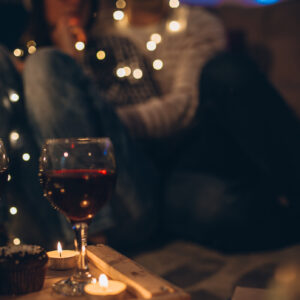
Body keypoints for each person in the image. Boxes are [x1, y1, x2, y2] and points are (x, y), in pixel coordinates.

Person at [1, 0, 299, 251]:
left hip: (173, 154)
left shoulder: (192, 25)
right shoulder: (100, 25)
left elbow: (184, 107)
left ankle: (91, 239)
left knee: (227, 74)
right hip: (126, 175)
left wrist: (100, 118)